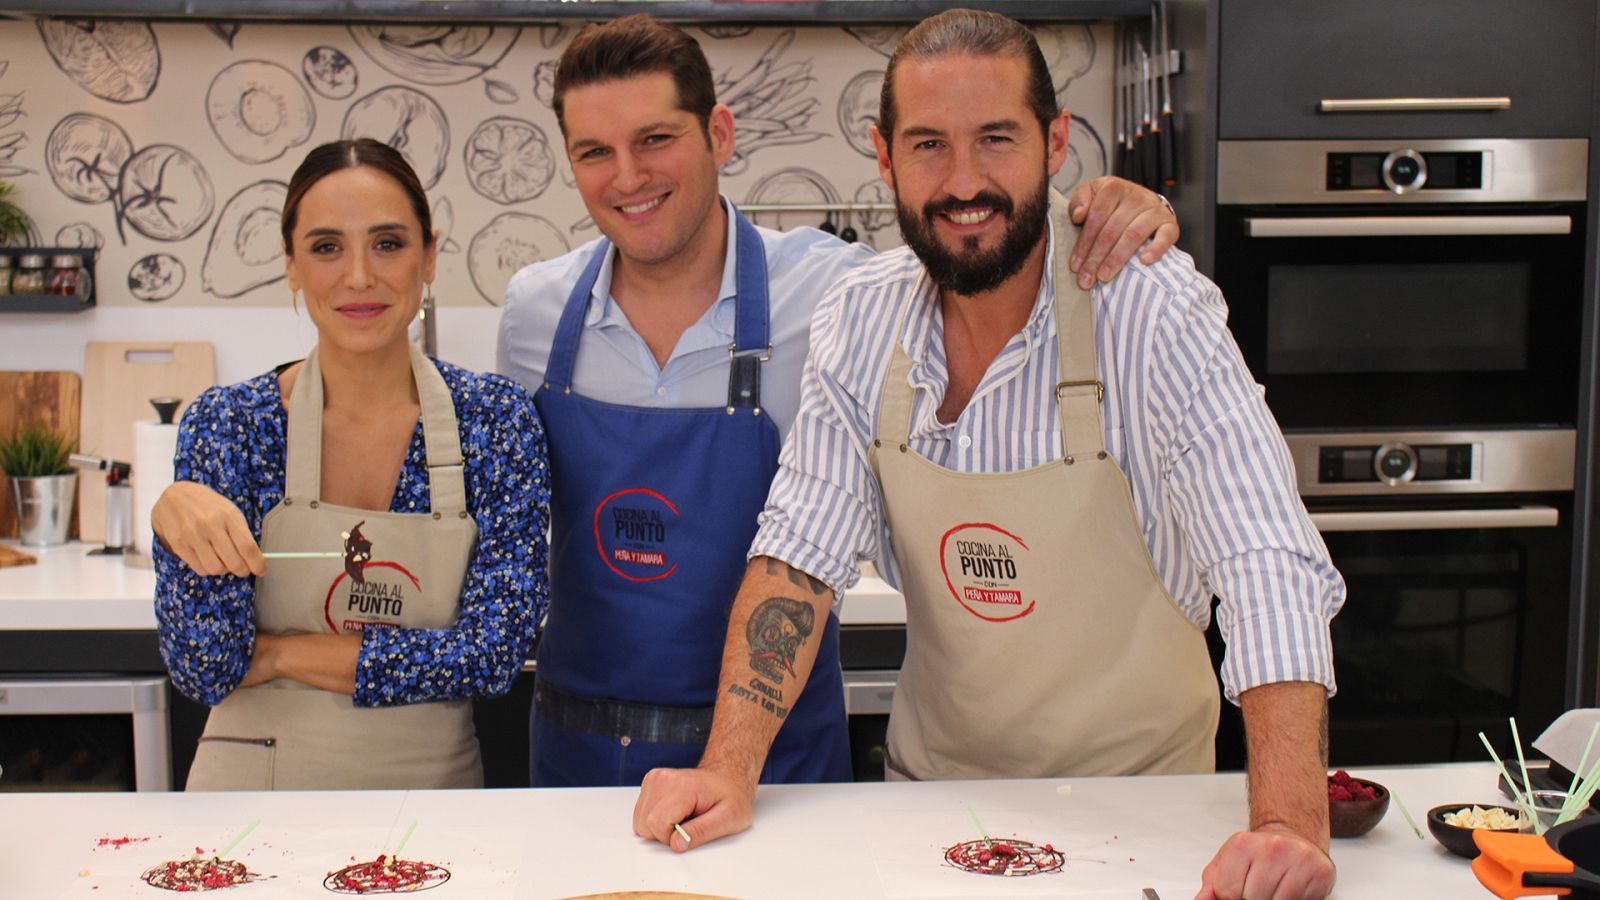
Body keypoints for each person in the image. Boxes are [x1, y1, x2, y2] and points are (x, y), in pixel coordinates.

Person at [630, 11, 1346, 900]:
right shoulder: (861, 319)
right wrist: (729, 771)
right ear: (885, 157)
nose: (963, 181)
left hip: (1147, 820)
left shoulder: (1151, 311)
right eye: (928, 145)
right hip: (933, 814)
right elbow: (798, 558)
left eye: (995, 139)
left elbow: (1265, 561)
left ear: (1053, 144)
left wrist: (1286, 821)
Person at [496, 14, 1183, 789]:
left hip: (780, 754)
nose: (627, 177)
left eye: (655, 139)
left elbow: (976, 241)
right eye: (595, 152)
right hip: (577, 745)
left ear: (719, 134)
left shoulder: (837, 290)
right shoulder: (533, 315)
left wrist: (1102, 207)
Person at [151, 138, 550, 791]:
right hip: (249, 792)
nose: (359, 276)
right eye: (327, 247)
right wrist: (170, 529)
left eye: (388, 243)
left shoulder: (493, 421)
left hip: (432, 796)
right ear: (291, 266)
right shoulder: (232, 425)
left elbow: (492, 656)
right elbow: (208, 667)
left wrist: (280, 651)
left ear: (429, 257)